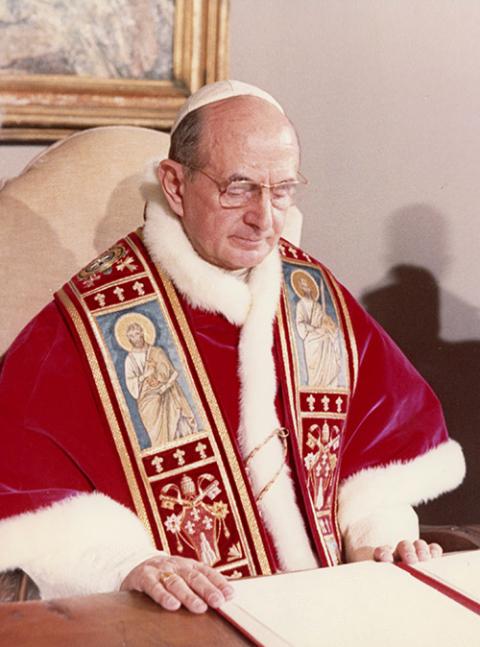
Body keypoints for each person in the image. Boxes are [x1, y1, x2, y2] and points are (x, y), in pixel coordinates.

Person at [0, 81, 465, 614]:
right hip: (178, 621)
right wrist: (125, 562)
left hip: (329, 611)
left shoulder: (316, 297)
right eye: (238, 188)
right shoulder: (86, 320)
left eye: (283, 189)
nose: (265, 219)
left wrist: (378, 537)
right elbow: (24, 481)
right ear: (174, 185)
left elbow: (377, 451)